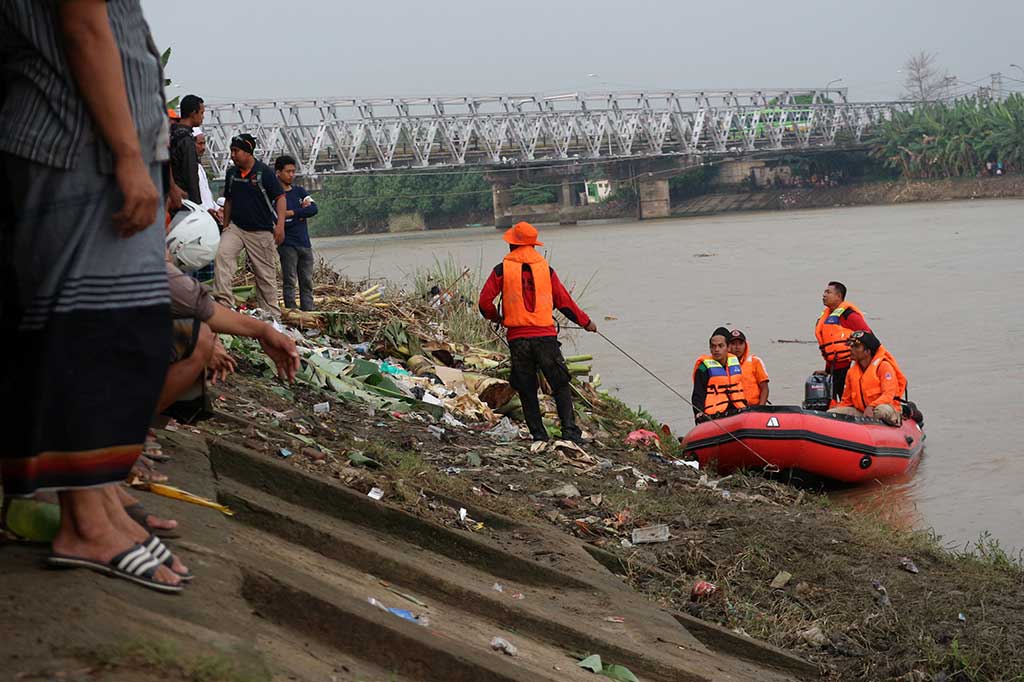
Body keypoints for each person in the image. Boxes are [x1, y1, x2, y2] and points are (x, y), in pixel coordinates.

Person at [0, 0, 185, 592]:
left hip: (94, 144)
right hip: (79, 143)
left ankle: (98, 501)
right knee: (90, 334)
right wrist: (128, 155)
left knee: (114, 330)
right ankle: (84, 523)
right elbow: (82, 24)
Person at [478, 222, 596, 444]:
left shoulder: (501, 270)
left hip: (518, 339)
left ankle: (539, 435)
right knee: (560, 384)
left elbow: (484, 302)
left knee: (526, 387)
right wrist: (586, 322)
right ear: (533, 245)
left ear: (512, 243)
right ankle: (570, 432)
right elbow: (565, 303)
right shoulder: (546, 270)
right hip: (545, 339)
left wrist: (497, 318)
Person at [212, 133, 286, 316]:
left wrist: (280, 226)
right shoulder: (232, 173)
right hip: (236, 228)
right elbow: (228, 200)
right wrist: (226, 226)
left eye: (236, 151)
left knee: (265, 275)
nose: (232, 155)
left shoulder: (264, 173)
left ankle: (271, 315)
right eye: (231, 151)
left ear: (248, 152)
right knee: (222, 256)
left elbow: (280, 198)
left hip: (261, 231)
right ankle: (224, 306)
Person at [829, 331, 907, 426]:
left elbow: (888, 394)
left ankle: (893, 423)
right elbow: (846, 401)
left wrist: (872, 406)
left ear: (867, 351)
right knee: (832, 413)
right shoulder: (851, 372)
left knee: (881, 411)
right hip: (862, 412)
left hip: (885, 409)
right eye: (851, 346)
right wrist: (836, 410)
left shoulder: (883, 367)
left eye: (856, 347)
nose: (851, 349)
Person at [814, 281, 871, 403]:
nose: (824, 295)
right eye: (824, 292)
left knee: (851, 400)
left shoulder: (849, 316)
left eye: (828, 292)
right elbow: (831, 348)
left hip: (850, 367)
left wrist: (870, 367)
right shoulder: (825, 318)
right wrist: (827, 371)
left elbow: (869, 338)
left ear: (839, 296)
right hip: (835, 370)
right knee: (832, 400)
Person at [274, 155, 319, 311]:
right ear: (278, 172)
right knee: (290, 280)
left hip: (304, 243)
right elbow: (275, 216)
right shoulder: (274, 195)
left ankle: (308, 311)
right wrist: (302, 212)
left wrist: (292, 213)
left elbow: (313, 209)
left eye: (293, 171)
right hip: (287, 244)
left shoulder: (299, 191)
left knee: (307, 280)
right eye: (288, 171)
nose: (291, 175)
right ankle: (292, 312)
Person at [692, 327, 747, 423]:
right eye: (713, 346)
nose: (716, 349)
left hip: (737, 411)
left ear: (728, 347)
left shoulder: (734, 362)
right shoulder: (703, 368)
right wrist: (699, 412)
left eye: (720, 346)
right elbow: (698, 394)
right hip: (715, 415)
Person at [169, 94, 204, 204]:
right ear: (193, 113)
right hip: (183, 199)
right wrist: (196, 203)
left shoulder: (170, 134)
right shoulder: (187, 140)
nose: (203, 117)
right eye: (201, 113)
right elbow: (191, 174)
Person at [727, 329, 769, 405]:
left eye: (740, 343)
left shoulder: (755, 361)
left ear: (745, 345)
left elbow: (764, 388)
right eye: (733, 344)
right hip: (733, 410)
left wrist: (760, 408)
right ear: (728, 346)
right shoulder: (723, 364)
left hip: (753, 408)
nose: (737, 347)